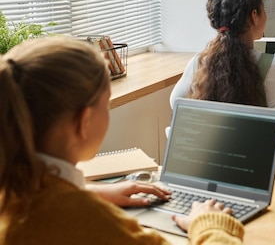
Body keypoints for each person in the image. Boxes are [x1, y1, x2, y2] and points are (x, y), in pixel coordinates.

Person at [0, 36, 244, 245]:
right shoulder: (91, 222)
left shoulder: (14, 193)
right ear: (84, 121)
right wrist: (209, 223)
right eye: (105, 104)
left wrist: (88, 193)